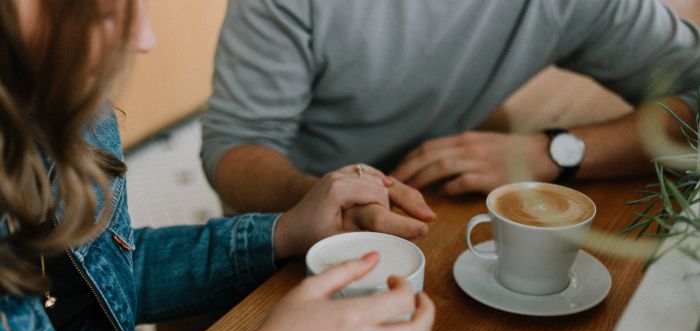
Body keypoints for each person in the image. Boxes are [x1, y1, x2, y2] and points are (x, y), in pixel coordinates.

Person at [0, 1, 435, 331]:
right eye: (106, 11)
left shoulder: (50, 105)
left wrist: (281, 231)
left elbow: (100, 277)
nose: (144, 39)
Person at [202, 0, 700, 214]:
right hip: (289, 211)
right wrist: (321, 198)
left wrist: (557, 152)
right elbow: (236, 148)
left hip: (443, 198)